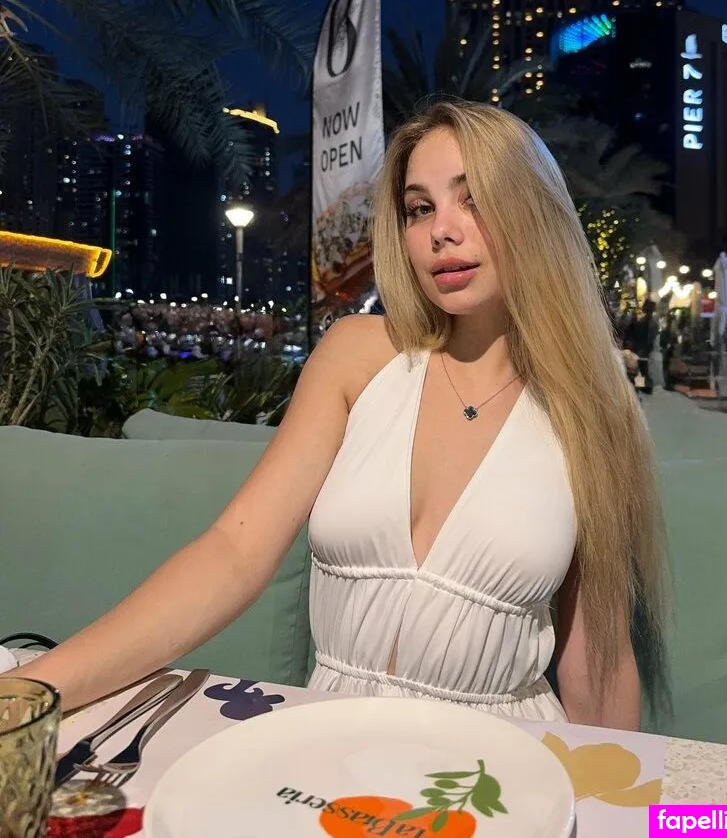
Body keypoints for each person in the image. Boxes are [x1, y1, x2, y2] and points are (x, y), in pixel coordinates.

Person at [7, 100, 669, 730]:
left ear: (536, 213)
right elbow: (235, 552)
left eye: (474, 199)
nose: (442, 230)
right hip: (330, 742)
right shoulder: (359, 354)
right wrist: (33, 691)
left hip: (502, 756)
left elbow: (599, 662)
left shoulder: (593, 409)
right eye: (419, 208)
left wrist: (617, 797)